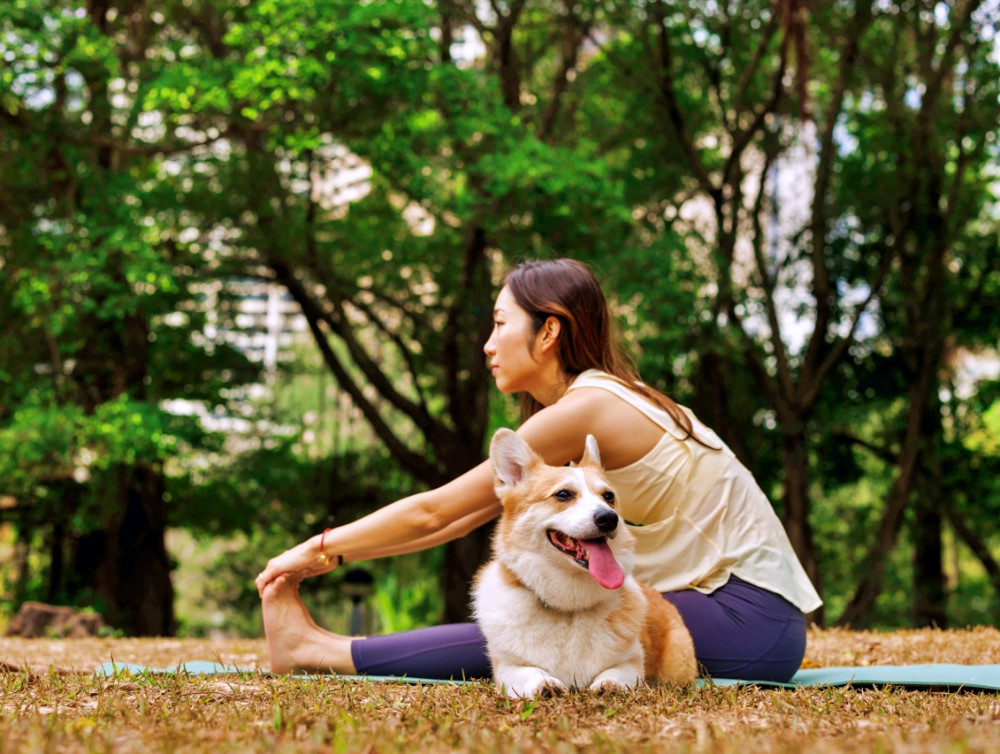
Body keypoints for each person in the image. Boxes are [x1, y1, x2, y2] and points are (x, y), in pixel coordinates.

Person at [255, 259, 822, 683]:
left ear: (548, 331)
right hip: (740, 611)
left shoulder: (588, 406)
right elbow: (458, 519)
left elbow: (436, 514)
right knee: (535, 604)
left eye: (501, 324)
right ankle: (319, 646)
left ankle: (318, 652)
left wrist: (315, 551)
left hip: (751, 621)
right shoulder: (593, 404)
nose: (487, 344)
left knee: (540, 623)